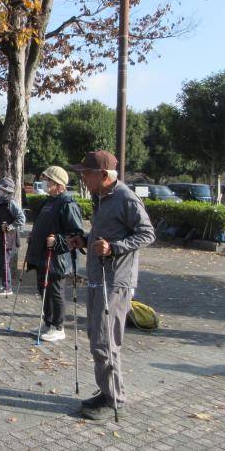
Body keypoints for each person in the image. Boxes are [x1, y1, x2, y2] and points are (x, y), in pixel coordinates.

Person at [67, 150, 155, 421]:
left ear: (103, 175)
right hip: (97, 277)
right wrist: (85, 239)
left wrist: (114, 248)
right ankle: (106, 390)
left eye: (86, 174)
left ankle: (114, 398)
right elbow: (104, 232)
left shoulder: (125, 198)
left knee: (106, 340)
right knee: (96, 337)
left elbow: (147, 233)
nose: (82, 178)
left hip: (116, 281)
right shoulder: (101, 197)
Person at [24, 166, 84, 339]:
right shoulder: (48, 201)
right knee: (43, 289)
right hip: (41, 255)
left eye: (48, 180)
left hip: (57, 258)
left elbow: (75, 235)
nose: (45, 182)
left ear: (58, 184)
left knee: (55, 292)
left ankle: (58, 328)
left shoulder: (68, 204)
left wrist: (57, 241)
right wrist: (34, 235)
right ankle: (48, 322)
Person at [0, 177, 26, 295]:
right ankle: (3, 285)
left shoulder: (12, 203)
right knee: (1, 263)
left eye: (0, 188)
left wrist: (10, 227)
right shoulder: (0, 202)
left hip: (8, 239)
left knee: (5, 264)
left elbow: (21, 219)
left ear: (7, 190)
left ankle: (8, 288)